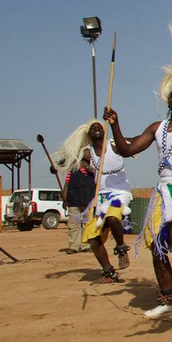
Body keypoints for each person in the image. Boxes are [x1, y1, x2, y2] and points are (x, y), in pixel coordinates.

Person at [107, 22, 172, 318]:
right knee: (158, 243)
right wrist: (116, 125)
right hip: (164, 188)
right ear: (167, 101)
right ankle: (168, 300)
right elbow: (128, 150)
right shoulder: (157, 128)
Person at [53, 120, 133, 283]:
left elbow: (133, 142)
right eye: (93, 127)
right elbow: (67, 160)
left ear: (104, 131)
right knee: (92, 237)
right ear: (88, 135)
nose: (97, 128)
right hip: (101, 196)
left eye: (99, 126)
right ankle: (108, 271)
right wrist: (58, 165)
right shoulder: (87, 152)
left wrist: (137, 143)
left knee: (112, 217)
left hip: (119, 193)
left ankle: (121, 248)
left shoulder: (114, 144)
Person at [62, 156, 96, 253]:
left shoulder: (94, 173)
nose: (84, 164)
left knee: (87, 225)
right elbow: (66, 185)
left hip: (88, 203)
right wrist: (65, 200)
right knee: (74, 225)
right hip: (74, 202)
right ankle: (74, 246)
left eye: (86, 162)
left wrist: (91, 170)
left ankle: (86, 245)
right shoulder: (72, 171)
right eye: (82, 162)